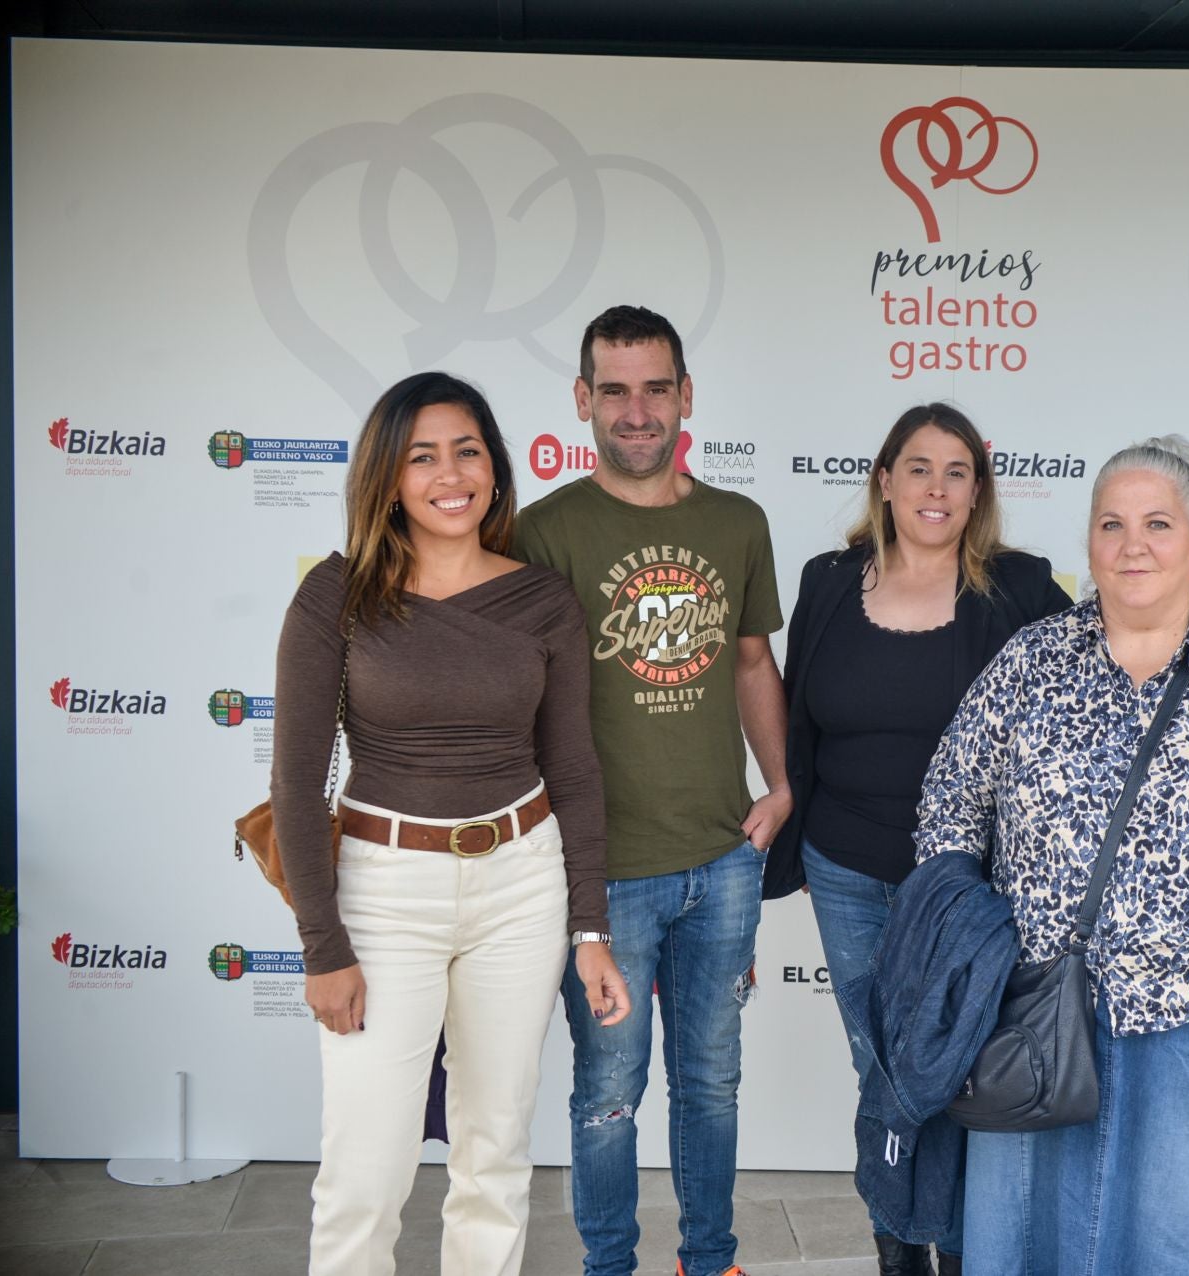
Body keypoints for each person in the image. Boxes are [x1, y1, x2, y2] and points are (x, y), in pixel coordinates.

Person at [915, 435, 1189, 1274]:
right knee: (1035, 1237)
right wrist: (980, 944)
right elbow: (949, 802)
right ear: (1089, 542)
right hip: (1040, 1014)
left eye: (1157, 523)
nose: (1133, 545)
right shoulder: (1032, 663)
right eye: (1111, 524)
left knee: (1181, 1241)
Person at [275, 371, 626, 1276]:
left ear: (496, 468)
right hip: (386, 888)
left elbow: (576, 771)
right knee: (365, 1170)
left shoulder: (543, 600)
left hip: (522, 883)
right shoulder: (336, 596)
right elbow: (297, 783)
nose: (449, 473)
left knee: (496, 1154)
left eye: (467, 450)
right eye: (422, 455)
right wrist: (323, 946)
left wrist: (589, 928)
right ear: (388, 478)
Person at [512, 305, 788, 1276]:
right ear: (583, 400)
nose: (637, 410)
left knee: (711, 1084)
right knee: (609, 1091)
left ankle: (709, 1261)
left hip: (721, 859)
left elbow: (753, 662)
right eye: (615, 389)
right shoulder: (541, 533)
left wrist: (782, 785)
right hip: (603, 875)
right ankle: (609, 1267)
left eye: (656, 387)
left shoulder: (736, 522)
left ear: (686, 396)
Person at [771, 403, 1070, 1276]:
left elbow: (1109, 650)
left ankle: (960, 1245)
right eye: (919, 469)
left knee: (955, 1070)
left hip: (966, 883)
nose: (936, 490)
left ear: (978, 490)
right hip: (845, 867)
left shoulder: (1017, 589)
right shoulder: (829, 580)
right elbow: (797, 716)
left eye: (957, 472)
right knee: (886, 1071)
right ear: (884, 479)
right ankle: (900, 1249)